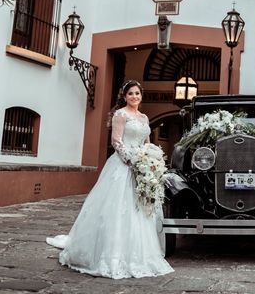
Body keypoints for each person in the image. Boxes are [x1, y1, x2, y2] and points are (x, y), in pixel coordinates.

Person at [46, 80, 173, 279]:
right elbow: (117, 141)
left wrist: (151, 160)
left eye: (137, 94)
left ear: (141, 96)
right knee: (117, 209)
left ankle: (140, 254)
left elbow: (147, 142)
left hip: (142, 167)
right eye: (130, 94)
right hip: (123, 167)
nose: (134, 97)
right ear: (124, 96)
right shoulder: (120, 115)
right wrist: (131, 161)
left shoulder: (144, 117)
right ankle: (111, 256)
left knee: (139, 210)